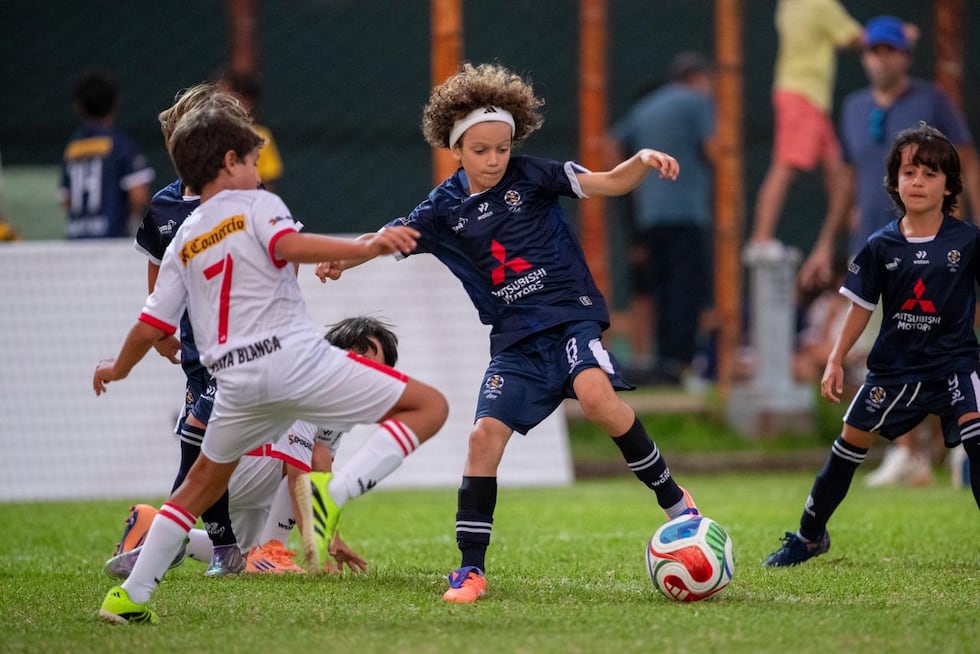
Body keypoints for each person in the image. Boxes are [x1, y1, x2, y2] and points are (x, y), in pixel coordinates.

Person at [315, 62, 700, 604]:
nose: (494, 159)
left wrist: (640, 161)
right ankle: (470, 570)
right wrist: (340, 258)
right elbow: (383, 239)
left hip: (569, 317)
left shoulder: (533, 177)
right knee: (482, 438)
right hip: (516, 342)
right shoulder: (442, 208)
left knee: (596, 397)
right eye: (481, 150)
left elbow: (609, 182)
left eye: (502, 148)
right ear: (456, 149)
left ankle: (676, 502)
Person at [95, 105, 448, 624]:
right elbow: (289, 245)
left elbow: (151, 325)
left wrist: (118, 368)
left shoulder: (184, 237)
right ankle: (332, 497)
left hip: (235, 382)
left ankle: (129, 596)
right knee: (430, 407)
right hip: (294, 361)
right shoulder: (258, 205)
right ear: (230, 161)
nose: (259, 171)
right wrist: (366, 246)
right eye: (254, 160)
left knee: (197, 487)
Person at [763, 124, 980, 568]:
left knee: (977, 436)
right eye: (909, 172)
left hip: (955, 364)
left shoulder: (968, 241)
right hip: (894, 370)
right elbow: (860, 306)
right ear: (895, 181)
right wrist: (835, 359)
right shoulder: (881, 245)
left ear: (949, 186)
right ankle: (808, 536)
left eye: (930, 174)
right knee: (848, 447)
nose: (918, 182)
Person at [798, 15, 980, 486]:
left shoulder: (932, 100)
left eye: (891, 50)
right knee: (873, 353)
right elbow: (845, 181)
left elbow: (965, 161)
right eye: (874, 51)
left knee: (947, 350)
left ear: (905, 56)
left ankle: (956, 448)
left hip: (939, 252)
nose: (882, 59)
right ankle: (910, 452)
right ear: (864, 58)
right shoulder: (854, 106)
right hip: (877, 251)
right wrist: (824, 242)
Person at [102, 316, 400, 577]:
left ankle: (153, 528)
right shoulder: (306, 383)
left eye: (379, 370)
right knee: (299, 469)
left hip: (240, 472)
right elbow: (300, 473)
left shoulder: (339, 402)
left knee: (241, 556)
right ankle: (271, 550)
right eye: (363, 361)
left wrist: (331, 536)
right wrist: (321, 542)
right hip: (228, 468)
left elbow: (322, 462)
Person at [133, 83, 254, 576]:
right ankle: (224, 547)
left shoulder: (242, 196)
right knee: (201, 445)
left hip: (239, 347)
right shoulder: (164, 207)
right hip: (195, 351)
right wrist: (161, 331)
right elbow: (159, 271)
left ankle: (163, 542)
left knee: (196, 441)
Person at [610, 52, 718, 385]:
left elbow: (611, 144)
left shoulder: (647, 107)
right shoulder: (698, 102)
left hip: (650, 215)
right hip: (686, 211)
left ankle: (664, 363)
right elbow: (714, 150)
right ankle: (682, 362)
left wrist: (628, 183)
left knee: (663, 289)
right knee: (688, 289)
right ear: (698, 78)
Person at [747, 0, 863, 251]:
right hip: (803, 95)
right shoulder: (820, 4)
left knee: (836, 170)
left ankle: (862, 236)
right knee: (786, 165)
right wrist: (901, 34)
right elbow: (855, 38)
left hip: (808, 98)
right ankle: (761, 242)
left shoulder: (788, 5)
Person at [61, 68, 154, 239]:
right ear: (116, 102)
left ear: (79, 107)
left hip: (76, 238)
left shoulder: (72, 148)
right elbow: (139, 195)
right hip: (112, 237)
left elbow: (67, 201)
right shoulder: (120, 144)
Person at [216, 69, 284, 190]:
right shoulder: (209, 135)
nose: (221, 102)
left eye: (228, 96)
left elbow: (267, 182)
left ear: (248, 101)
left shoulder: (261, 136)